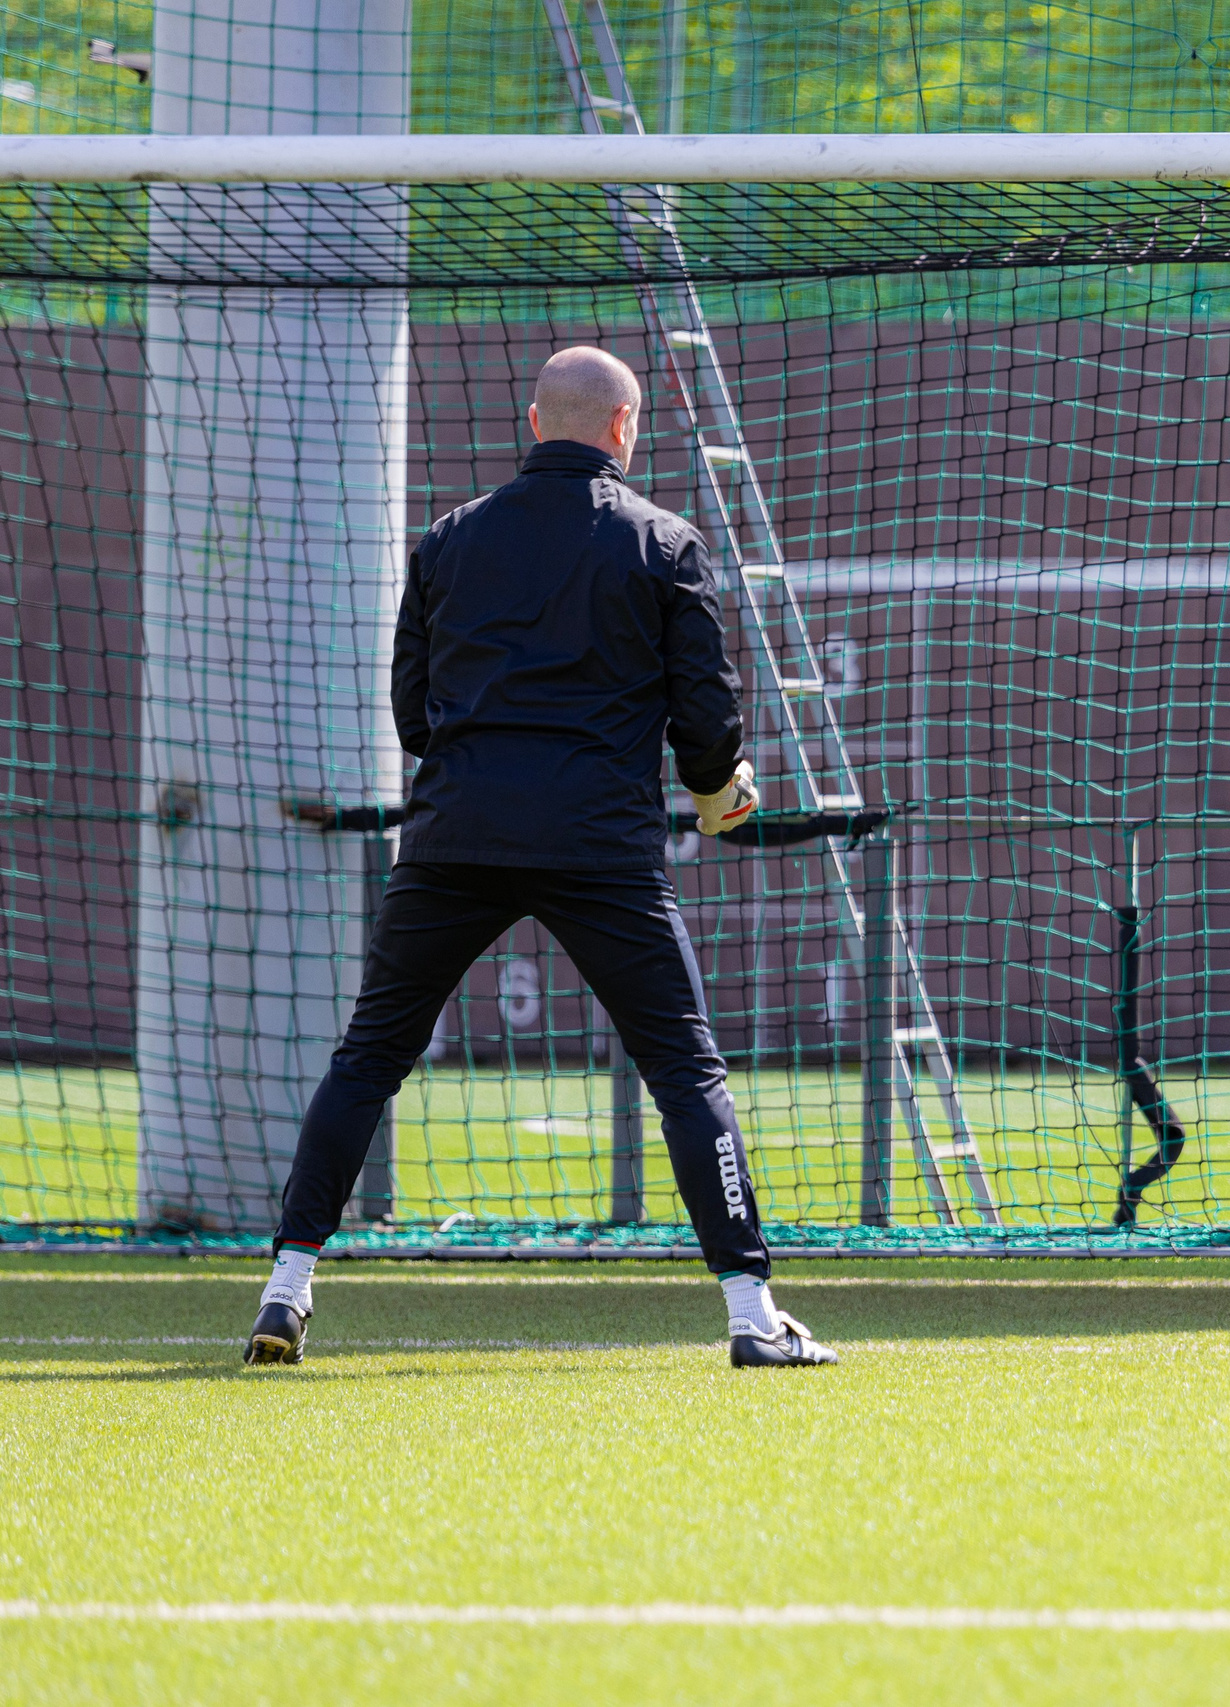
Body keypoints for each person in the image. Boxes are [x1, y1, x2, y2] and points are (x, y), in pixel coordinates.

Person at [243, 347, 837, 1370]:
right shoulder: (666, 543)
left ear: (534, 420)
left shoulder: (447, 540)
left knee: (368, 1059)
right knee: (686, 1070)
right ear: (625, 425)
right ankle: (751, 1315)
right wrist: (717, 788)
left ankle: (286, 1291)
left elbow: (411, 714)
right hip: (599, 848)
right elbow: (707, 723)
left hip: (453, 836)